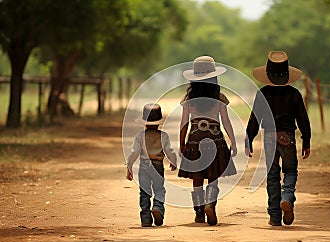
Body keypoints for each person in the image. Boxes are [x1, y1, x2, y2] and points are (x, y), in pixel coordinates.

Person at [245, 51, 311, 226]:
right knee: (290, 171)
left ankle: (275, 216)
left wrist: (248, 140)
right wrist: (306, 141)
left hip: (269, 138)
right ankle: (287, 197)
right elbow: (303, 119)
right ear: (287, 74)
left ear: (268, 74)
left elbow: (254, 119)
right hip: (287, 137)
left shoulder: (263, 94)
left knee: (272, 175)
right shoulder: (294, 94)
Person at [178, 56, 237, 226]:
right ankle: (210, 204)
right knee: (213, 175)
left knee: (197, 177)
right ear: (214, 77)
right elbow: (226, 121)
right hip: (215, 138)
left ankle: (199, 212)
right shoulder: (219, 97)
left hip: (195, 139)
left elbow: (184, 123)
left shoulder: (188, 98)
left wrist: (182, 143)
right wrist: (232, 141)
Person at [126, 103, 177, 227]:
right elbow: (169, 151)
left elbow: (134, 153)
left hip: (143, 166)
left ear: (144, 122)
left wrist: (129, 167)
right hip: (158, 166)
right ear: (159, 122)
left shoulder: (140, 136)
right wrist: (173, 161)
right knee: (159, 189)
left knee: (144, 192)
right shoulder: (163, 136)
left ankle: (146, 218)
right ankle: (158, 208)